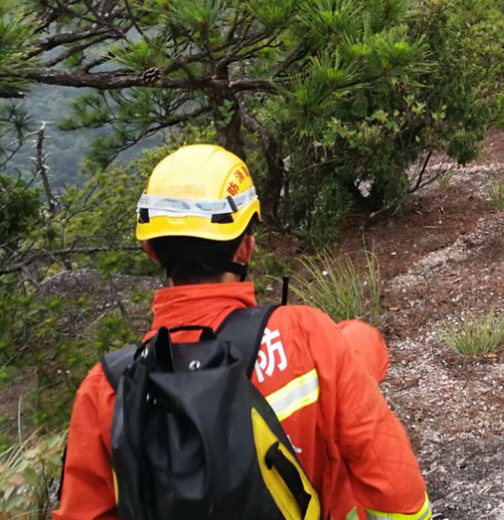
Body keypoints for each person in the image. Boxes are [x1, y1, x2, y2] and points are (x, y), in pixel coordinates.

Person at [55, 144, 432, 520]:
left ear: (151, 250)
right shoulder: (306, 335)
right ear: (245, 249)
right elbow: (395, 486)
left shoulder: (106, 388)